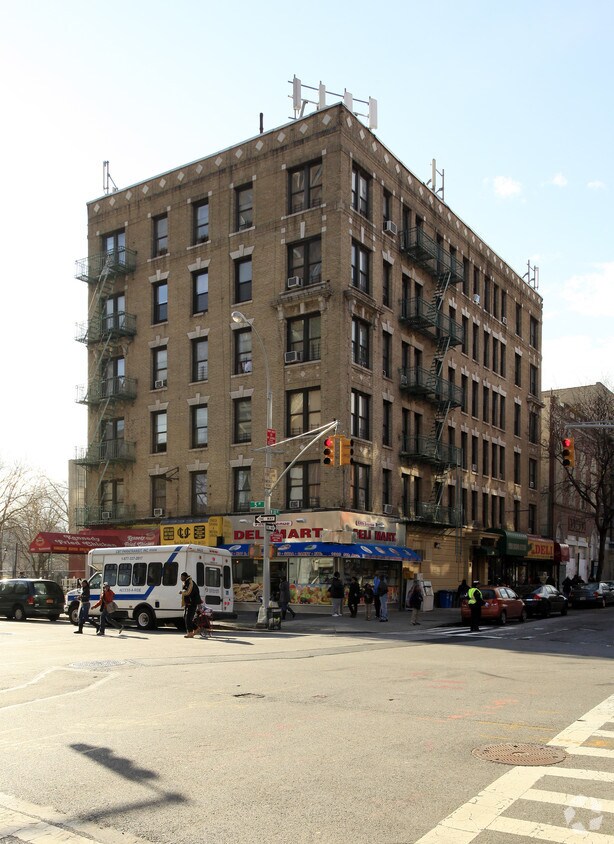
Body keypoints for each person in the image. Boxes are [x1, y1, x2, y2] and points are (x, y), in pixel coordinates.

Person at [180, 571, 201, 638]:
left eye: (182, 577)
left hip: (192, 603)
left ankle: (190, 633)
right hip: (188, 602)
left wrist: (182, 592)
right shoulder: (186, 582)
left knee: (188, 618)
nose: (181, 578)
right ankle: (196, 628)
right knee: (186, 617)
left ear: (185, 576)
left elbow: (188, 592)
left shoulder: (190, 582)